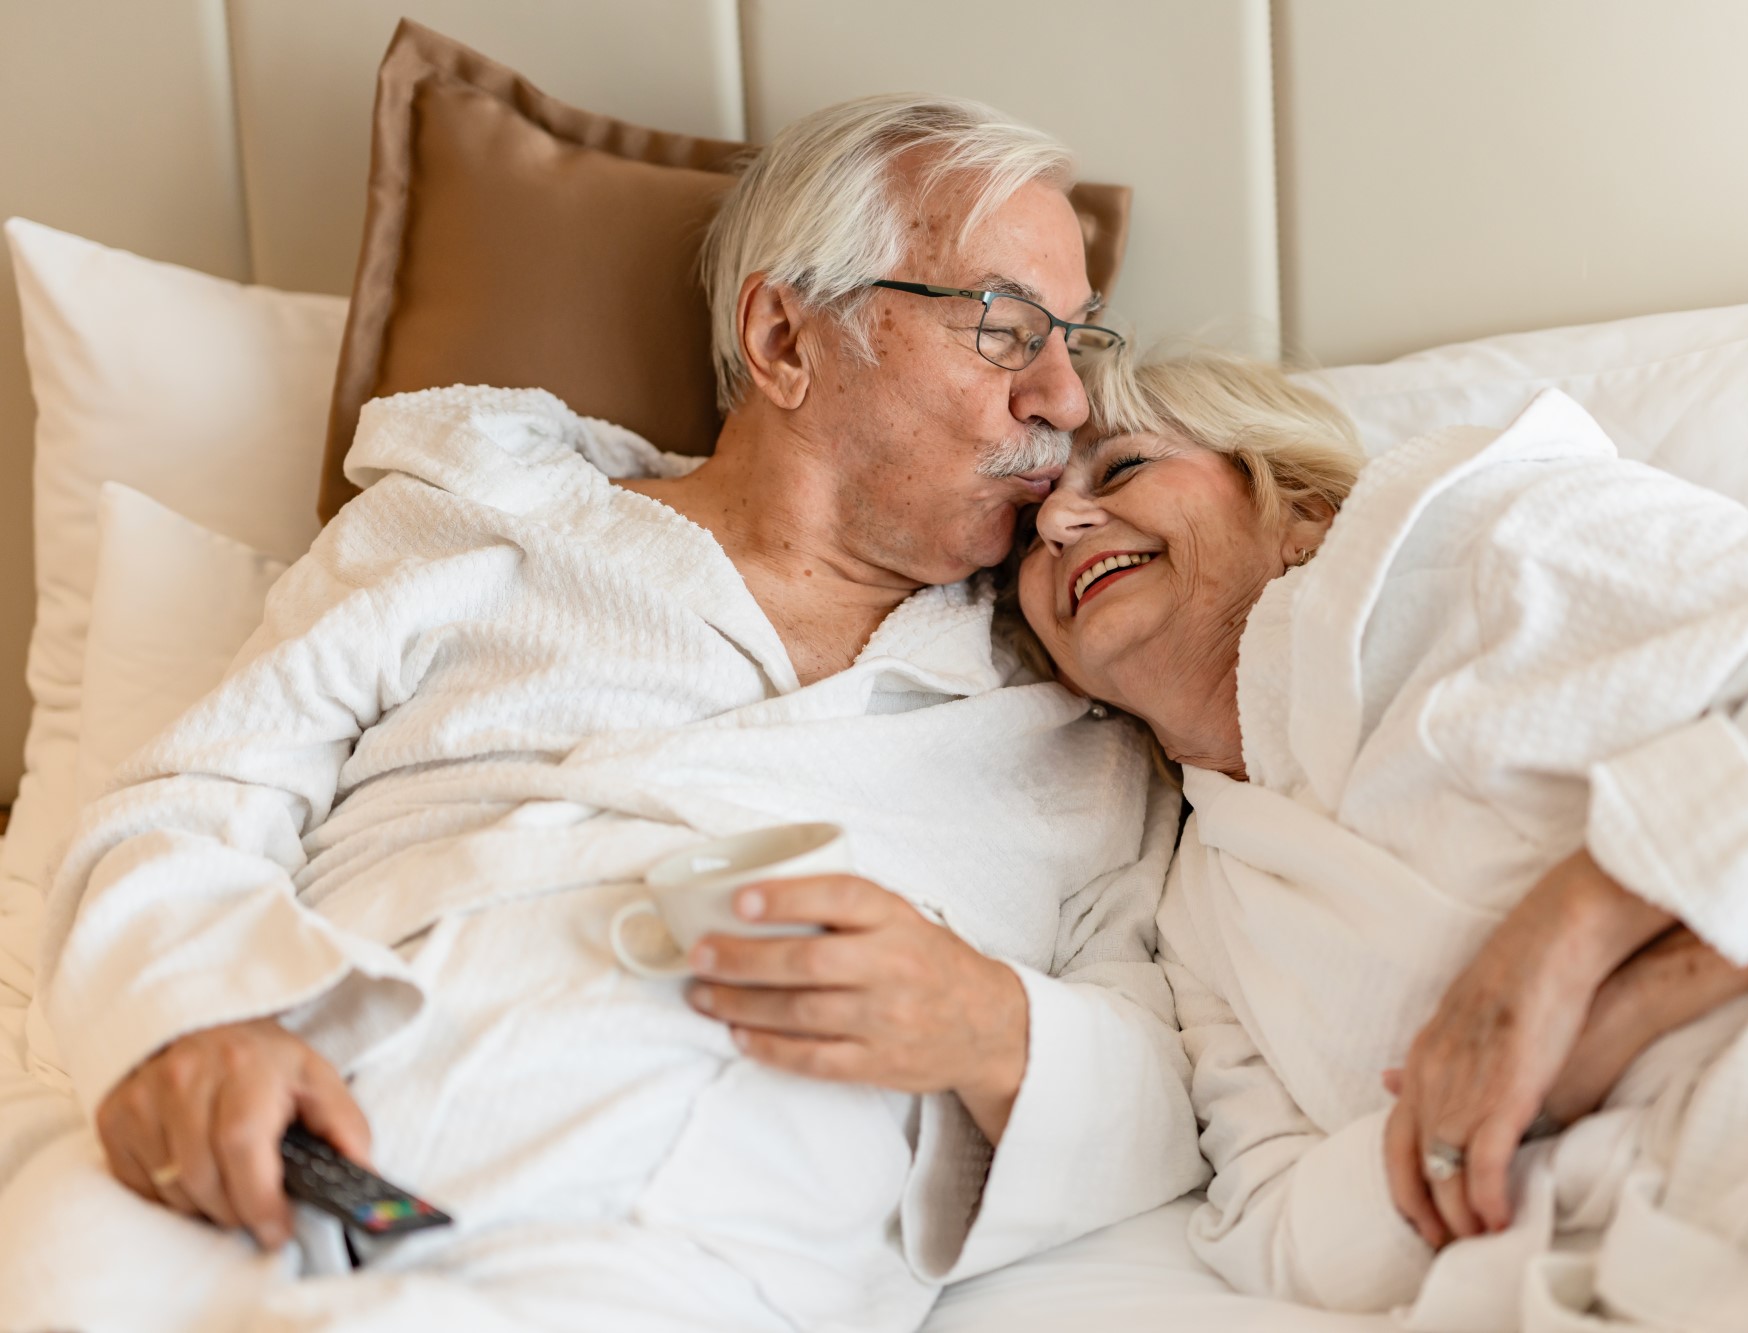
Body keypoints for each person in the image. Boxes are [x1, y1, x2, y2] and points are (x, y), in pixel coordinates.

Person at [0, 95, 1206, 1333]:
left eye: (1077, 343)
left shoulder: (1072, 718)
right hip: (293, 1158)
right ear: (785, 337)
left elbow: (1181, 1088)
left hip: (669, 1247)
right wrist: (189, 1023)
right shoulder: (475, 520)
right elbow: (188, 802)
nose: (1063, 397)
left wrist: (985, 1023)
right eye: (1005, 330)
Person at [1018, 347, 1748, 1331]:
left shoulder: (1491, 535)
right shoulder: (1200, 910)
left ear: (1298, 511)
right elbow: (1285, 1234)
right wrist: (1582, 1051)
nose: (1060, 520)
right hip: (1712, 1210)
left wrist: (1567, 930)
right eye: (1028, 530)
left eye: (1123, 467)